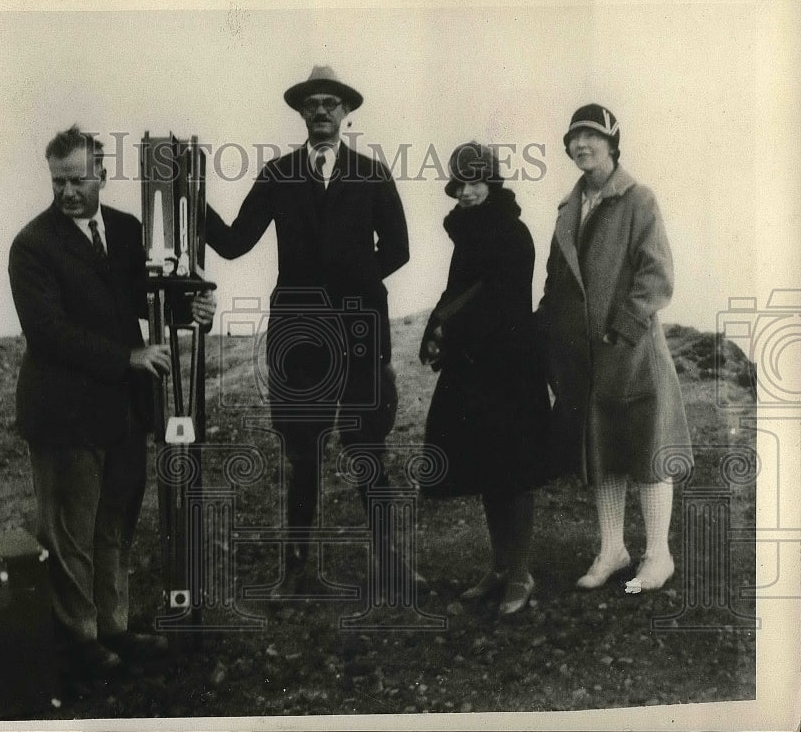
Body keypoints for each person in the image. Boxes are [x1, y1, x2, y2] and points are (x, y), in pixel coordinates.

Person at [8, 126, 216, 679]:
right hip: (65, 412)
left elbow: (149, 304)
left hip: (123, 411)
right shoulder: (33, 245)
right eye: (58, 181)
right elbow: (48, 331)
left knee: (116, 523)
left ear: (101, 174)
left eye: (78, 178)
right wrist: (128, 357)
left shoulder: (127, 231)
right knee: (70, 531)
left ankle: (115, 626)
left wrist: (188, 314)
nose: (68, 191)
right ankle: (79, 639)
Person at [205, 66, 413, 596]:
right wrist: (188, 193)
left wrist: (353, 282)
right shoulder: (278, 175)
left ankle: (390, 564)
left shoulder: (372, 174)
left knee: (367, 445)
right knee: (302, 450)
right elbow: (232, 242)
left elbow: (398, 250)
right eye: (313, 104)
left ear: (346, 113)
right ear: (301, 113)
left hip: (361, 329)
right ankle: (297, 571)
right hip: (298, 335)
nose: (322, 112)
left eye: (332, 103)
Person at [536, 104, 692, 592]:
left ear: (612, 143)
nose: (581, 145)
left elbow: (657, 274)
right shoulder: (568, 208)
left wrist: (623, 331)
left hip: (631, 352)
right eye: (574, 138)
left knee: (645, 451)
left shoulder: (638, 199)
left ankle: (657, 555)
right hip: (583, 358)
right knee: (600, 451)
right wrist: (547, 334)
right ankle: (612, 550)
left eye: (592, 137)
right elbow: (556, 281)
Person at [419, 142, 551, 615]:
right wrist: (436, 327)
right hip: (475, 368)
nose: (468, 192)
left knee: (512, 472)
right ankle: (499, 567)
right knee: (488, 469)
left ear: (491, 184)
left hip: (509, 368)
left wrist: (448, 330)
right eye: (461, 184)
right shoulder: (470, 235)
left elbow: (500, 304)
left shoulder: (512, 234)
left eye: (476, 182)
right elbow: (456, 292)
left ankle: (521, 574)